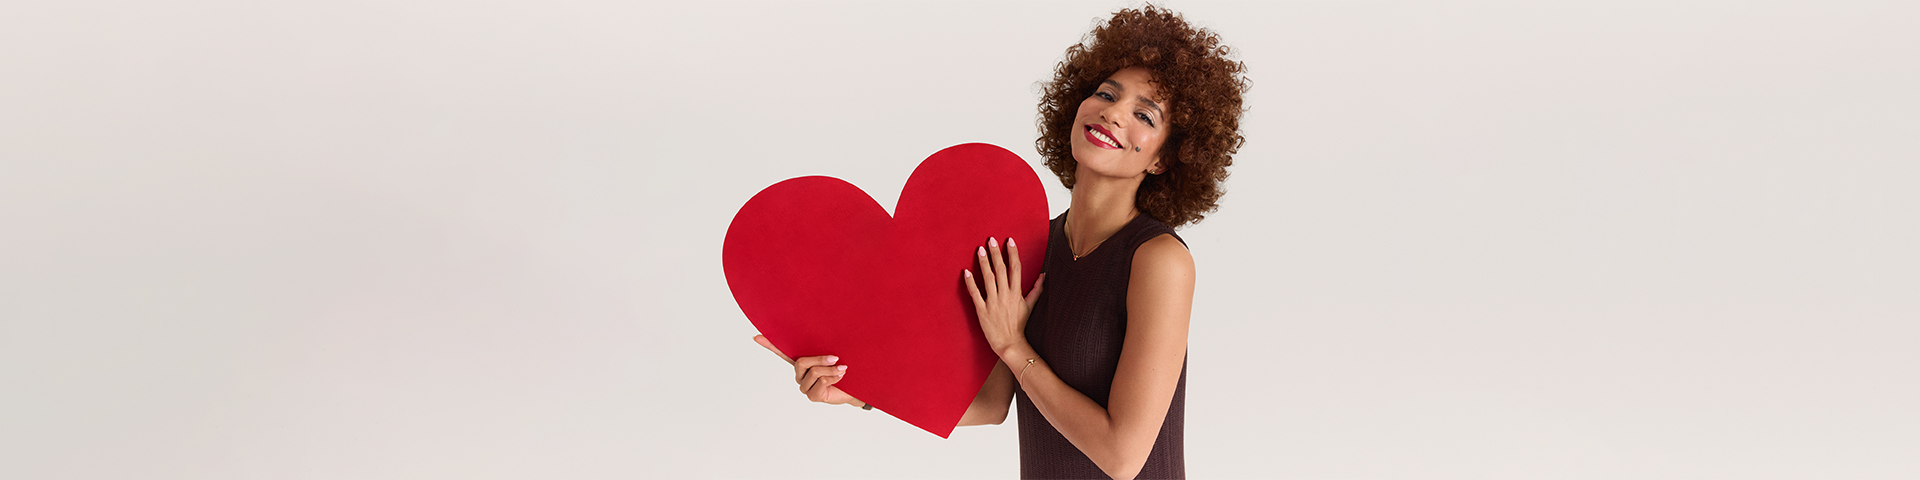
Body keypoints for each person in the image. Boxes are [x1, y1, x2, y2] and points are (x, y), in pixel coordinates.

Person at [752, 5, 1246, 479]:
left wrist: (1012, 344)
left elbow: (1122, 457)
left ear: (1163, 159)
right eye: (1107, 93)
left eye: (1146, 115)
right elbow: (991, 404)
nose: (1114, 114)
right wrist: (859, 393)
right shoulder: (1032, 244)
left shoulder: (1159, 260)